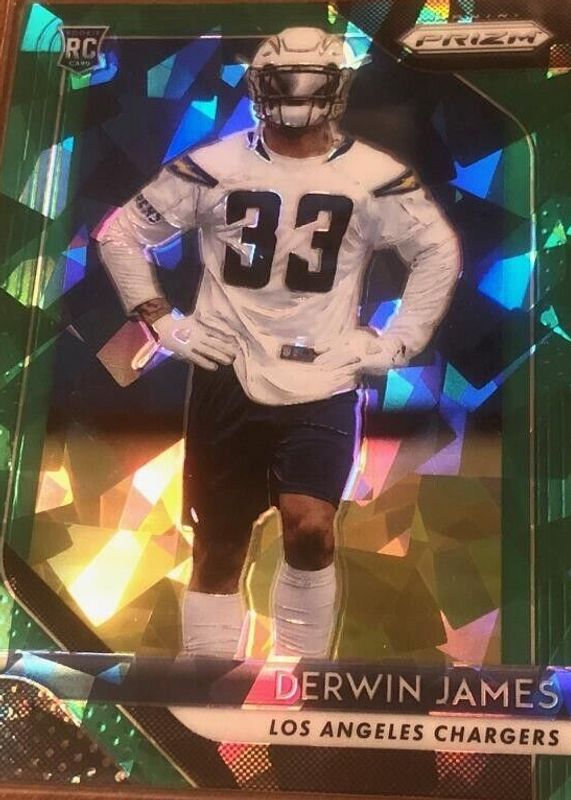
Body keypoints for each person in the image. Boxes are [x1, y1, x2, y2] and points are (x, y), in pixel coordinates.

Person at [99, 26, 461, 660]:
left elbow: (437, 251)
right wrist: (163, 320)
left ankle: (302, 672)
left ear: (336, 87)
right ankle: (207, 681)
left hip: (324, 373)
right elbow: (120, 233)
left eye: (308, 82)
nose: (294, 96)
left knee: (311, 527)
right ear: (259, 86)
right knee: (219, 545)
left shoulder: (373, 175)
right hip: (227, 369)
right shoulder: (214, 166)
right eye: (282, 82)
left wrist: (397, 342)